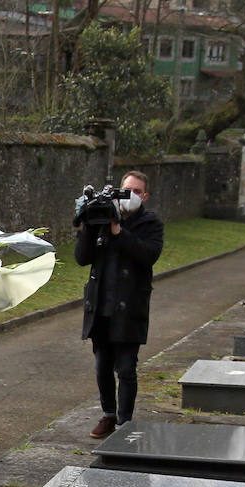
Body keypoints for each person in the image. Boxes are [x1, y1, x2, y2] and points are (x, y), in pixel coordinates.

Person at [75, 170, 163, 439]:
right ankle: (108, 415)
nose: (130, 196)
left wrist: (118, 231)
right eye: (126, 190)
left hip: (129, 306)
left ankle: (125, 421)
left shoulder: (150, 222)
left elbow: (149, 255)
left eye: (136, 191)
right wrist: (89, 225)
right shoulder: (101, 215)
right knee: (102, 365)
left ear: (145, 196)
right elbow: (82, 258)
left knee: (126, 367)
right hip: (101, 304)